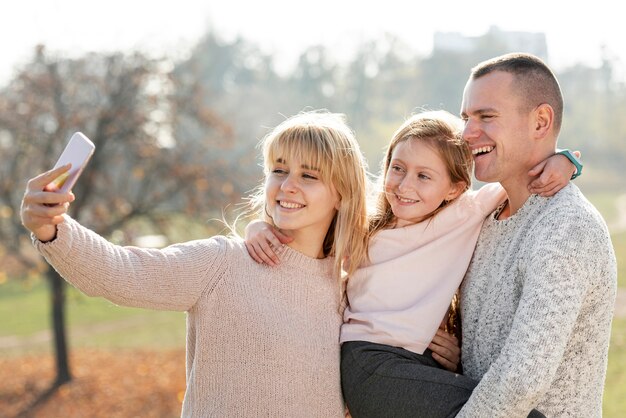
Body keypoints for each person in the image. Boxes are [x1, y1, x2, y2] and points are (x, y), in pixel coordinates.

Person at [20, 110, 371, 417]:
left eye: (309, 176)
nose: (288, 186)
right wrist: (52, 229)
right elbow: (120, 273)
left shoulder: (353, 291)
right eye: (279, 170)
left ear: (342, 194)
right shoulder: (224, 263)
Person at [245, 109, 577, 417]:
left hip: (416, 364)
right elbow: (305, 231)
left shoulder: (463, 215)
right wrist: (257, 226)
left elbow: (521, 178)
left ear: (454, 189)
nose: (404, 186)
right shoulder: (365, 226)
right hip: (370, 364)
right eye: (398, 168)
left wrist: (567, 161)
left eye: (424, 176)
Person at [455, 52, 617, 417]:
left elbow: (521, 380)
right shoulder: (486, 214)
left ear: (541, 122)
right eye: (466, 118)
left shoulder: (567, 228)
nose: (467, 133)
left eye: (486, 116)